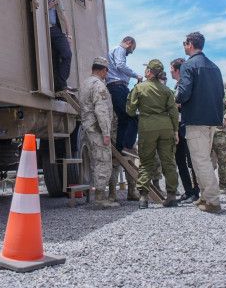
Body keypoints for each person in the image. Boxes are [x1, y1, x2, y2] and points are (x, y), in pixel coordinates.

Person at [175, 32, 224, 214]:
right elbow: (221, 95)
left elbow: (184, 92)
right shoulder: (214, 67)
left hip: (196, 118)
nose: (184, 46)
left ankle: (212, 200)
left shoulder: (188, 65)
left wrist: (177, 99)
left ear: (190, 44)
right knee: (202, 159)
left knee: (200, 161)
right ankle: (204, 195)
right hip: (212, 119)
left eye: (184, 43)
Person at [126, 59, 179, 209]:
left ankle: (143, 197)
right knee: (168, 162)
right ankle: (171, 197)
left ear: (149, 71)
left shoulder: (139, 88)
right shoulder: (166, 90)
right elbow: (173, 112)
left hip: (147, 127)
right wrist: (175, 130)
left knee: (146, 162)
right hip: (166, 127)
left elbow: (130, 110)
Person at [77, 57, 119, 209]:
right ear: (104, 70)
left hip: (88, 128)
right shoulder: (99, 85)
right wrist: (106, 133)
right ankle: (100, 199)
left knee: (95, 161)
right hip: (97, 129)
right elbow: (101, 110)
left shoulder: (85, 84)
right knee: (103, 161)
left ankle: (98, 195)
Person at [105, 37, 142, 155]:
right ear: (129, 43)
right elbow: (120, 65)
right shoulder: (120, 49)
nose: (130, 52)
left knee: (123, 119)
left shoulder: (114, 51)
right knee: (131, 116)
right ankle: (128, 146)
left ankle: (120, 147)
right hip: (118, 87)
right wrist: (136, 75)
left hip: (116, 87)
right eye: (132, 49)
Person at [170, 58, 199, 203]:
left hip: (186, 125)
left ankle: (196, 191)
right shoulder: (177, 85)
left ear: (176, 69)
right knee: (180, 161)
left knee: (192, 161)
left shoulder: (186, 84)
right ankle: (188, 191)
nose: (170, 71)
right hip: (178, 127)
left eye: (171, 68)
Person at [46, 0, 72, 90]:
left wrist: (68, 35)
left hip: (57, 30)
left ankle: (62, 83)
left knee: (67, 54)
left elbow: (65, 17)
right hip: (45, 30)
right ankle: (58, 86)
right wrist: (48, 7)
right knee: (53, 59)